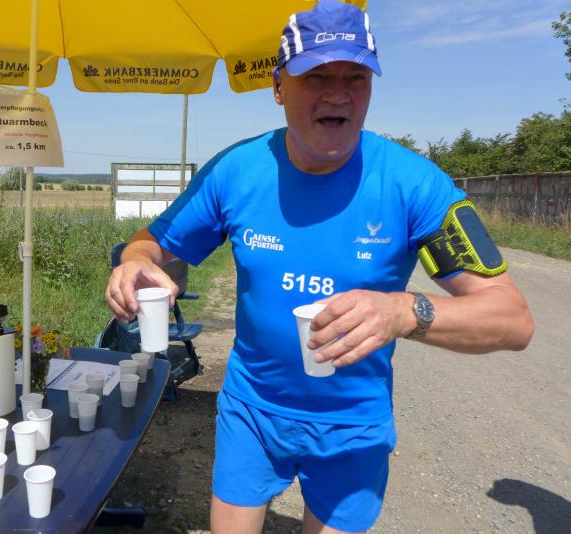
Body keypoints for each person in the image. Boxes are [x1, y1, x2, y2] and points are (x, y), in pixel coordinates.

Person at [104, 1, 534, 533]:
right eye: (317, 76)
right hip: (251, 413)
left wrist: (403, 311)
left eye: (356, 77)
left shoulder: (415, 184)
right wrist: (135, 261)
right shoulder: (237, 170)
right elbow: (153, 243)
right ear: (278, 86)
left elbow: (512, 320)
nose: (338, 94)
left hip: (353, 426)